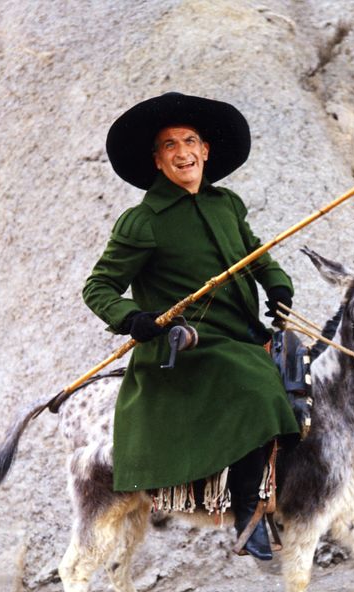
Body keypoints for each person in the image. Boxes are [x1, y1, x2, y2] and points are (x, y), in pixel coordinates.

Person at [82, 92, 300, 560]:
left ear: (206, 150)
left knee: (306, 374)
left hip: (243, 329)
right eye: (168, 146)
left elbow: (256, 254)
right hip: (187, 344)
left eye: (190, 141)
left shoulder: (227, 205)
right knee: (256, 384)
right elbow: (97, 287)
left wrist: (277, 285)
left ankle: (296, 493)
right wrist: (132, 319)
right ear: (157, 163)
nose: (182, 152)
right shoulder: (143, 223)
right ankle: (247, 511)